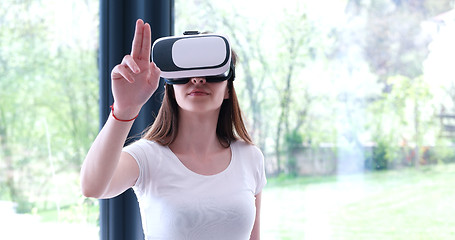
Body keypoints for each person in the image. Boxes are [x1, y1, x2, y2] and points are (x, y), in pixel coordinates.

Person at [80, 19, 267, 240]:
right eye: (187, 71)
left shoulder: (250, 157)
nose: (198, 79)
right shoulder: (147, 156)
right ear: (171, 86)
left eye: (210, 70)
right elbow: (93, 186)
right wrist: (124, 109)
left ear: (228, 88)